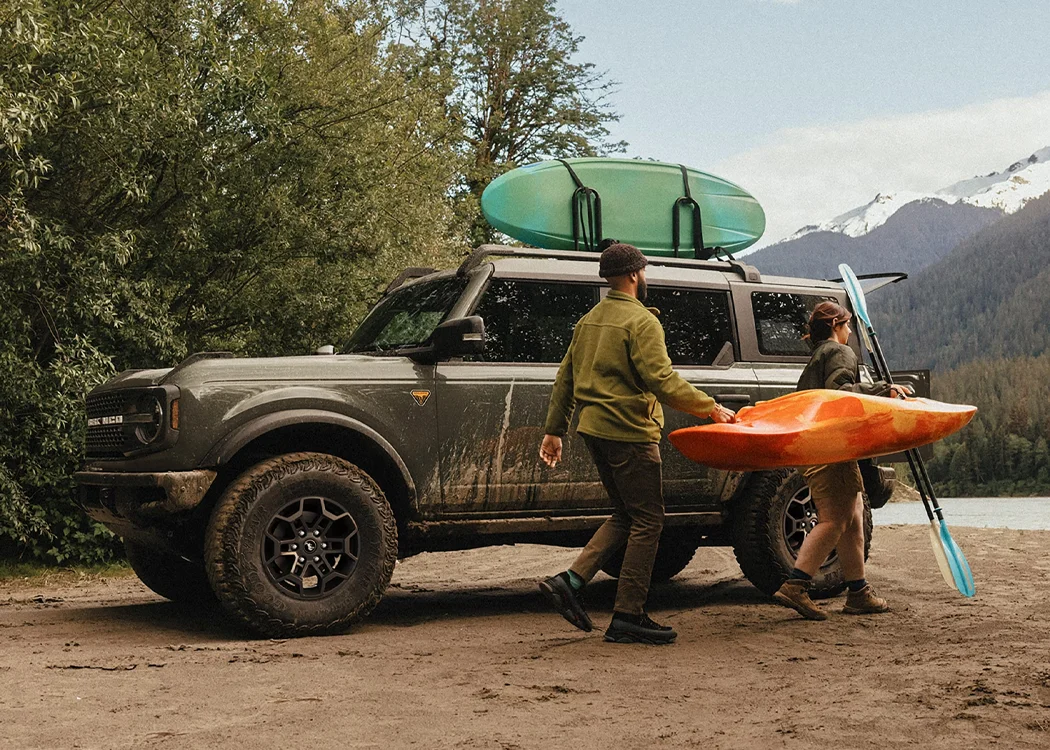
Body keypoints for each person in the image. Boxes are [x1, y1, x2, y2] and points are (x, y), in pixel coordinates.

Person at [537, 243, 736, 645]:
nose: (645, 277)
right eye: (643, 271)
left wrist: (554, 430)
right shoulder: (642, 322)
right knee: (649, 520)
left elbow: (565, 379)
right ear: (634, 275)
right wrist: (711, 408)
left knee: (628, 513)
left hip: (594, 431)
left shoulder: (589, 320)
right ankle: (628, 614)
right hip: (630, 433)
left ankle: (571, 581)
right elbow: (661, 380)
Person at [772, 300, 910, 620]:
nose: (849, 330)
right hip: (831, 447)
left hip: (817, 448)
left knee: (854, 515)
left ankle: (858, 592)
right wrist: (882, 391)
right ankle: (796, 585)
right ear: (836, 325)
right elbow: (841, 392)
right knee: (835, 519)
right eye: (846, 325)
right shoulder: (839, 352)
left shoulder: (817, 356)